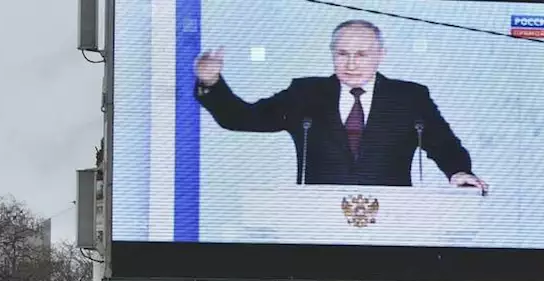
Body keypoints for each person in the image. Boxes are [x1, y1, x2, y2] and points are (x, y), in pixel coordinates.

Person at [193, 19, 488, 192]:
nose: (350, 63)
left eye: (361, 54)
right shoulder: (305, 93)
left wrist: (459, 171)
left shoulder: (410, 98)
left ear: (381, 54)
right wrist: (212, 84)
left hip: (393, 223)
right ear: (332, 53)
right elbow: (243, 118)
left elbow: (445, 145)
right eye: (342, 53)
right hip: (318, 225)